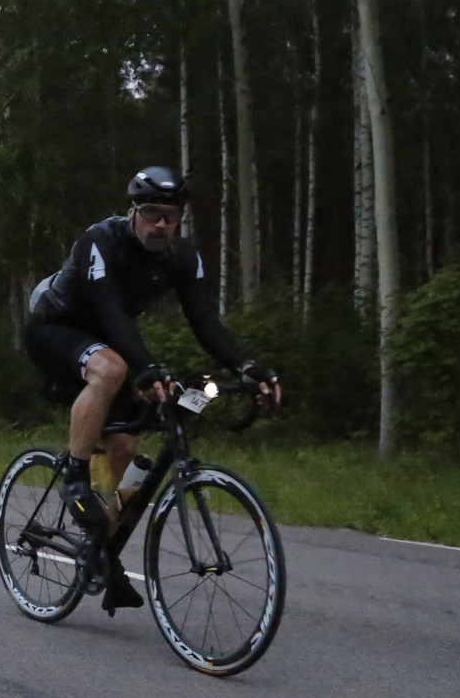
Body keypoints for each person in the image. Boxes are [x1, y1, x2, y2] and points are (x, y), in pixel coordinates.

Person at [24, 166, 282, 611]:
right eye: (151, 213)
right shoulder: (101, 241)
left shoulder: (182, 256)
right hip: (55, 331)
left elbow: (205, 322)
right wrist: (145, 368)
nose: (161, 224)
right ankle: (75, 476)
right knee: (113, 369)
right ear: (133, 212)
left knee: (127, 446)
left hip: (111, 343)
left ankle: (100, 551)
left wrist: (248, 368)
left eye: (171, 216)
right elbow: (111, 313)